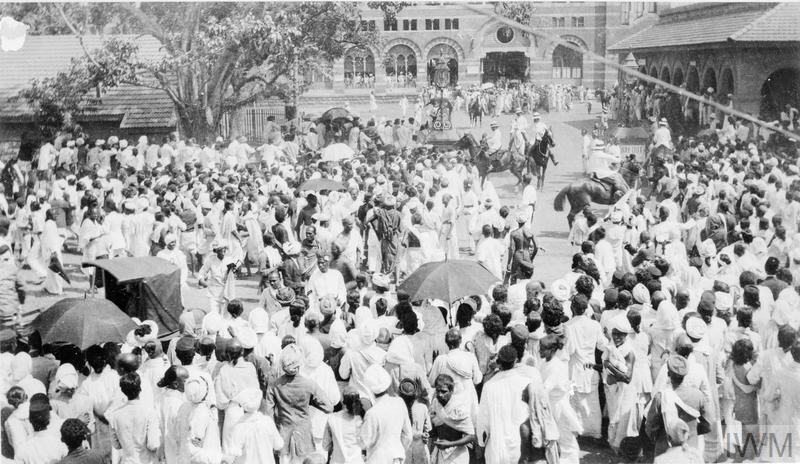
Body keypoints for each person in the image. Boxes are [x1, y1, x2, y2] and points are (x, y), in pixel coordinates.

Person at [266, 343, 333, 464]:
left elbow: (268, 413)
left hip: (284, 435)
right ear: (299, 364)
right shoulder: (309, 384)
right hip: (304, 435)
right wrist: (311, 401)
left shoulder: (275, 385)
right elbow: (329, 407)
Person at [476, 344, 530, 464]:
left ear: (499, 362)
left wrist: (480, 444)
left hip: (496, 447)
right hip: (518, 444)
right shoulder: (524, 383)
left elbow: (483, 420)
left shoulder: (489, 386)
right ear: (515, 361)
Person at [359, 364, 412, 464]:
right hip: (397, 457)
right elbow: (408, 436)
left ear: (370, 389)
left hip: (377, 459)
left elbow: (364, 443)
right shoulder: (399, 403)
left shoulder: (372, 413)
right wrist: (398, 450)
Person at [109, 373, 161, 464]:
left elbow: (117, 445)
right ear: (140, 388)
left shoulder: (114, 416)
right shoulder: (149, 412)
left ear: (123, 391)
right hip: (146, 461)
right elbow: (153, 444)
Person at [226, 388, 285, 464]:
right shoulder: (267, 422)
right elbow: (278, 445)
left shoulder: (239, 427)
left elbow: (233, 454)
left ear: (242, 406)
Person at [429, 374, 476, 464]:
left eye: (444, 391)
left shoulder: (459, 408)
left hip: (457, 455)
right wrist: (428, 434)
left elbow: (471, 436)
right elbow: (436, 429)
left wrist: (450, 444)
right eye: (438, 391)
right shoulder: (435, 404)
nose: (440, 395)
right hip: (442, 453)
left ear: (451, 391)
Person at [322, 388, 364, 464]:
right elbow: (364, 444)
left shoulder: (332, 418)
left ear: (342, 400)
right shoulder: (361, 420)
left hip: (337, 461)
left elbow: (325, 446)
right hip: (356, 461)